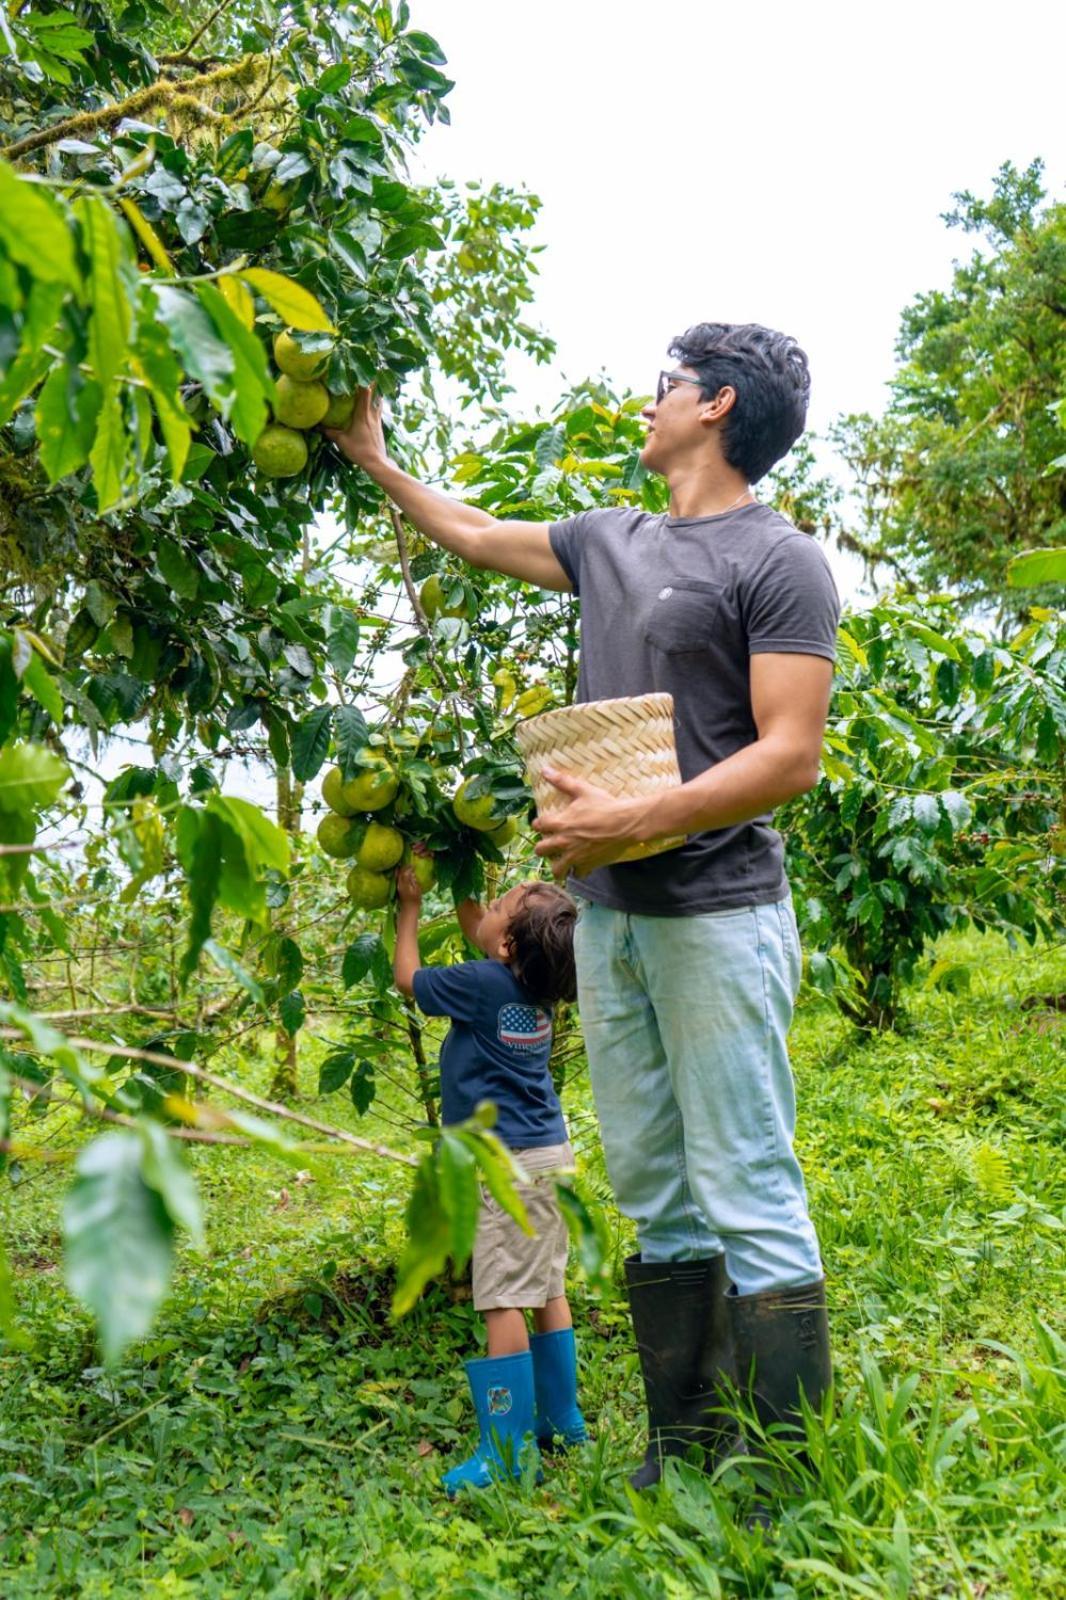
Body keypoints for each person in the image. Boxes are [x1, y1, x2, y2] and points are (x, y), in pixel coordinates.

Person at [332, 321, 839, 1489]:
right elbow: (467, 531)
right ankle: (684, 1444)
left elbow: (790, 754)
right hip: (613, 922)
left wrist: (631, 822)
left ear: (714, 406)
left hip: (716, 913)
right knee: (657, 1187)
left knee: (748, 1184)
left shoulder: (778, 559)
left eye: (666, 385)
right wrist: (372, 453)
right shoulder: (610, 541)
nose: (647, 402)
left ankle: (785, 1480)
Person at [392, 864, 588, 1494]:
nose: (489, 906)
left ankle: (505, 1451)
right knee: (548, 1286)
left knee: (502, 1297)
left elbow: (408, 981)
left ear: (507, 946)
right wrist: (462, 862)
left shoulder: (481, 984)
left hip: (507, 1163)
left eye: (502, 902)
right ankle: (563, 1419)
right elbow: (481, 924)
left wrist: (409, 907)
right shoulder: (538, 982)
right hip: (552, 1155)